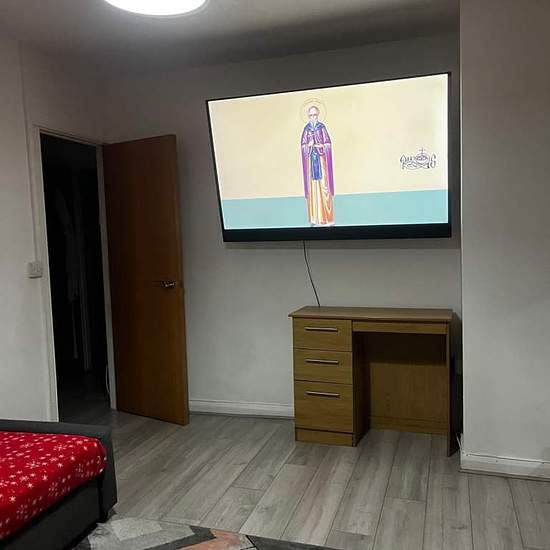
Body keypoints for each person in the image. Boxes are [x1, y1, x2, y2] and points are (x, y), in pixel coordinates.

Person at [300, 106, 335, 226]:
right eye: (310, 115)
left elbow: (328, 143)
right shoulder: (306, 129)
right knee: (312, 189)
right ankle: (314, 219)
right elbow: (303, 146)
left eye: (314, 115)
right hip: (311, 162)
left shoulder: (322, 127)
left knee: (324, 187)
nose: (313, 117)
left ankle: (327, 219)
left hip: (321, 161)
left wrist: (320, 146)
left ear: (318, 115)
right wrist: (308, 146)